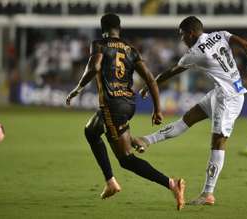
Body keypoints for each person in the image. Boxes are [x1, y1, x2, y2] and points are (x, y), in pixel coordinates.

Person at [132, 16, 247, 205]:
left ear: (191, 33)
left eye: (182, 35)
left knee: (218, 142)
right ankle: (147, 140)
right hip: (222, 92)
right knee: (188, 118)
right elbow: (246, 44)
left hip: (228, 98)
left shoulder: (195, 52)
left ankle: (207, 193)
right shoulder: (221, 34)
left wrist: (148, 86)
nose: (182, 40)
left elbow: (171, 72)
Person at [65, 13, 185, 210]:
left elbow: (94, 67)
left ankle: (172, 184)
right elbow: (150, 78)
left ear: (103, 29)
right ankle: (112, 178)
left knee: (126, 159)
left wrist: (77, 89)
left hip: (111, 106)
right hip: (128, 104)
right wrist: (157, 109)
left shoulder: (100, 44)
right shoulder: (131, 50)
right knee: (91, 131)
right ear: (118, 29)